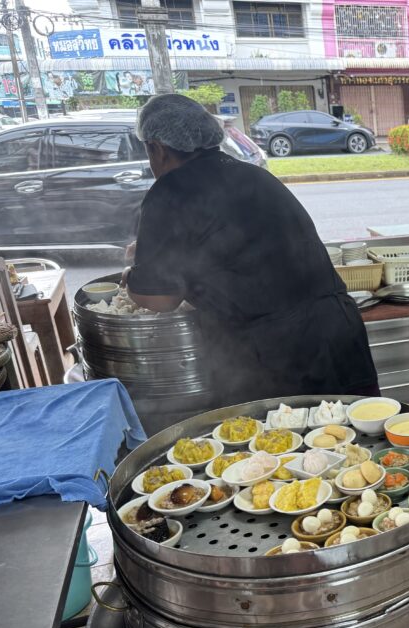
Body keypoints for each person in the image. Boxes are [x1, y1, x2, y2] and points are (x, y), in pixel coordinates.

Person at [124, 94, 379, 407]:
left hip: (275, 354)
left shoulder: (169, 192)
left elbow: (159, 299)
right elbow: (241, 250)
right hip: (338, 332)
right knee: (355, 441)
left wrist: (131, 273)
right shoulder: (254, 175)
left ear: (158, 148)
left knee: (279, 450)